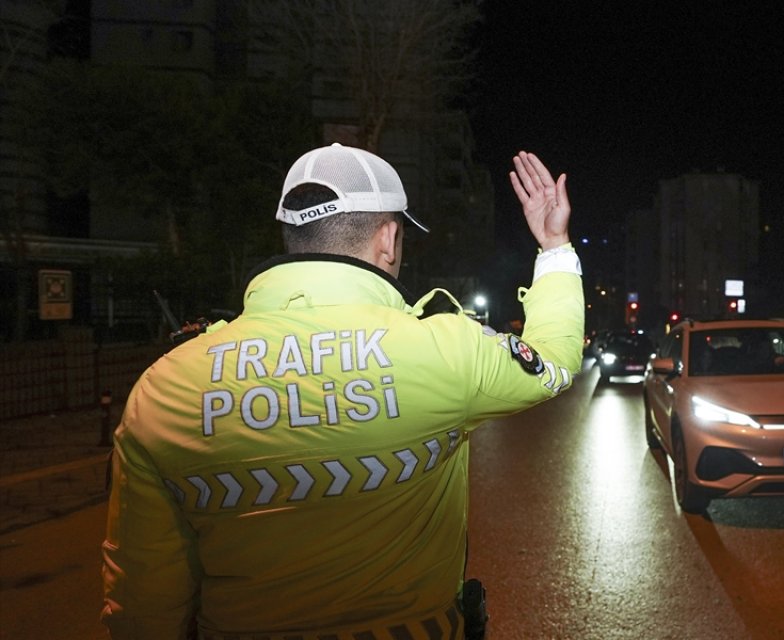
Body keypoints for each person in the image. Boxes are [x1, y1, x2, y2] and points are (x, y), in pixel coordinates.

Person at [101, 143, 584, 639]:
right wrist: (554, 246)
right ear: (389, 239)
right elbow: (555, 360)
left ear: (293, 236)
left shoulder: (166, 387)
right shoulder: (445, 351)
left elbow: (143, 597)